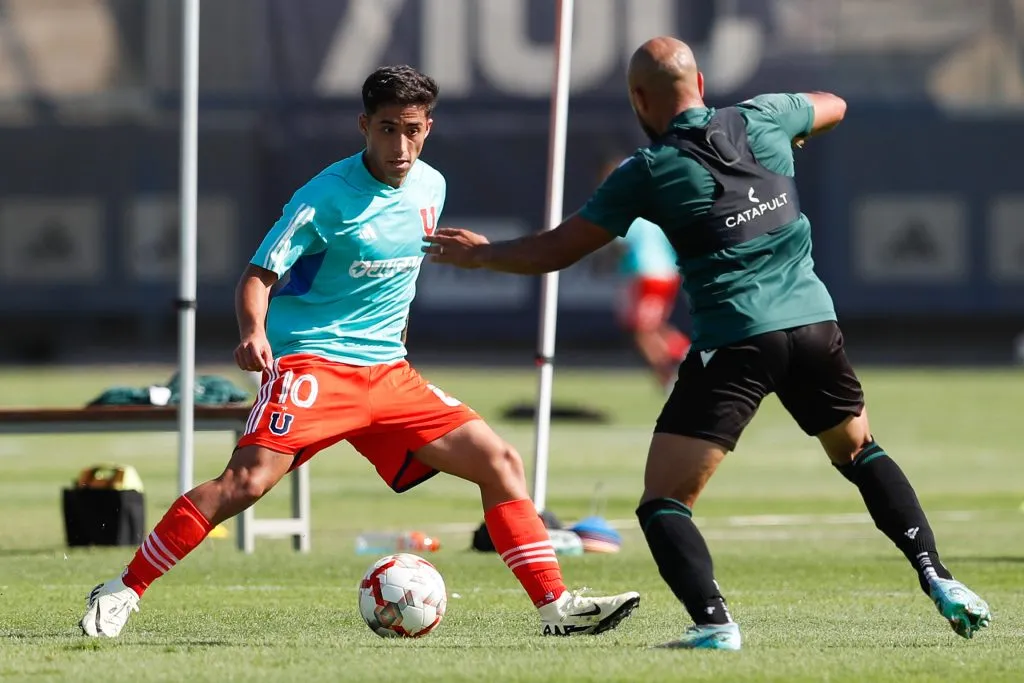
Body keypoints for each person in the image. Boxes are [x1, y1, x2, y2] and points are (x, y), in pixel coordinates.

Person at [423, 38, 991, 650]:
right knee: (858, 453)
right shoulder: (763, 117)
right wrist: (796, 130)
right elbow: (835, 104)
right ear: (701, 82)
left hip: (738, 341)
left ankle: (714, 624)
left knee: (664, 501)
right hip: (815, 328)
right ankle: (940, 578)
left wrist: (480, 258)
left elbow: (556, 250)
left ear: (640, 99)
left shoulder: (649, 169)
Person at [79, 65, 639, 639]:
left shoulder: (431, 185)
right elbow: (257, 274)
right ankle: (123, 590)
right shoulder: (324, 197)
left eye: (413, 129)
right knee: (244, 484)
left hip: (389, 373)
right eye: (388, 129)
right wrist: (254, 331)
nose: (401, 145)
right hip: (314, 365)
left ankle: (556, 609)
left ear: (429, 127)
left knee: (501, 462)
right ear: (364, 125)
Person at [599, 157, 690, 391]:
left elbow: (616, 241)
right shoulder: (651, 203)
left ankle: (674, 373)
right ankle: (683, 358)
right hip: (662, 272)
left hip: (648, 274)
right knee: (649, 326)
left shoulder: (626, 206)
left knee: (642, 329)